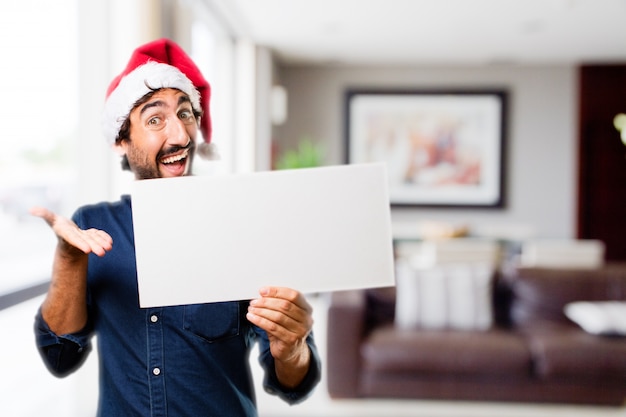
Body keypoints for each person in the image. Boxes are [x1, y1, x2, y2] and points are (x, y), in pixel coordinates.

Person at [31, 38, 321, 416]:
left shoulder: (243, 226)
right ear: (122, 139)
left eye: (186, 115)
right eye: (155, 119)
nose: (181, 136)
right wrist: (69, 260)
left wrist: (293, 349)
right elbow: (60, 357)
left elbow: (294, 382)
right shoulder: (92, 226)